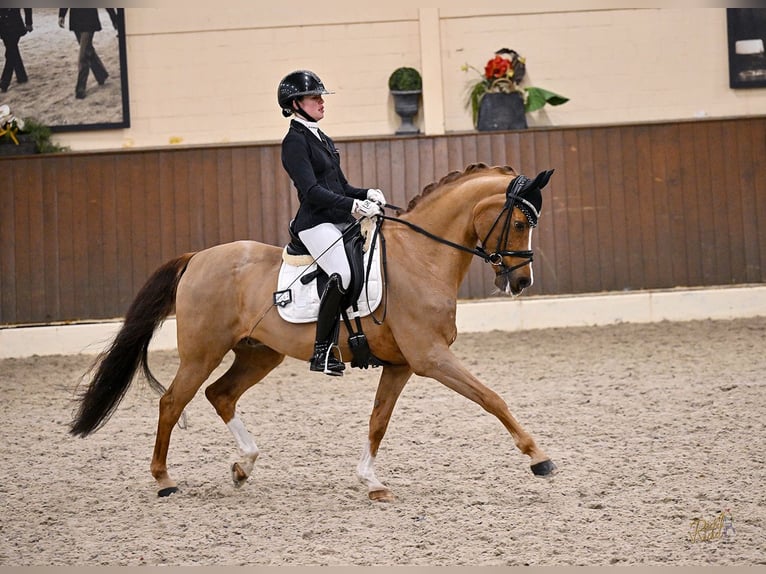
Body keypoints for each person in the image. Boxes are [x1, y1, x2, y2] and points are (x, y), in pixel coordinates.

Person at [278, 69, 386, 376]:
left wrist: (367, 193)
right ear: (295, 103)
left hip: (336, 219)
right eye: (315, 97)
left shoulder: (321, 137)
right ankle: (322, 351)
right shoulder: (294, 142)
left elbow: (341, 186)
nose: (321, 102)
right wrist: (354, 204)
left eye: (321, 96)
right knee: (341, 273)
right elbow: (311, 191)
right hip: (314, 223)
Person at [58, 8, 119, 99]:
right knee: (87, 50)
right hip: (76, 20)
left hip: (89, 19)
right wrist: (62, 15)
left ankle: (80, 87)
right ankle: (101, 75)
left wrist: (114, 19)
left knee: (83, 55)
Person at [0, 8, 33, 93]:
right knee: (12, 50)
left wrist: (28, 22)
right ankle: (22, 76)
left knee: (11, 52)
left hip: (15, 24)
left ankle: (4, 82)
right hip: (2, 25)